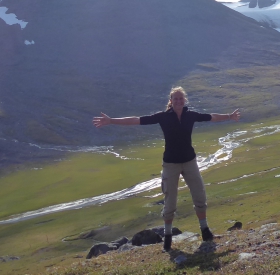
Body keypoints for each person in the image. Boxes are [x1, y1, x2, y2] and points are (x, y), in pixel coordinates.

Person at [93, 86, 240, 252]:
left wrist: (230, 116)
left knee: (199, 195)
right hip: (170, 164)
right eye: (175, 98)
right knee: (170, 201)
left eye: (181, 98)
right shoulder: (163, 117)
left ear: (184, 100)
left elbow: (211, 117)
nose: (178, 101)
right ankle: (168, 237)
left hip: (190, 162)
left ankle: (205, 230)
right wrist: (111, 120)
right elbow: (137, 120)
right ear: (171, 101)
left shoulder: (191, 115)